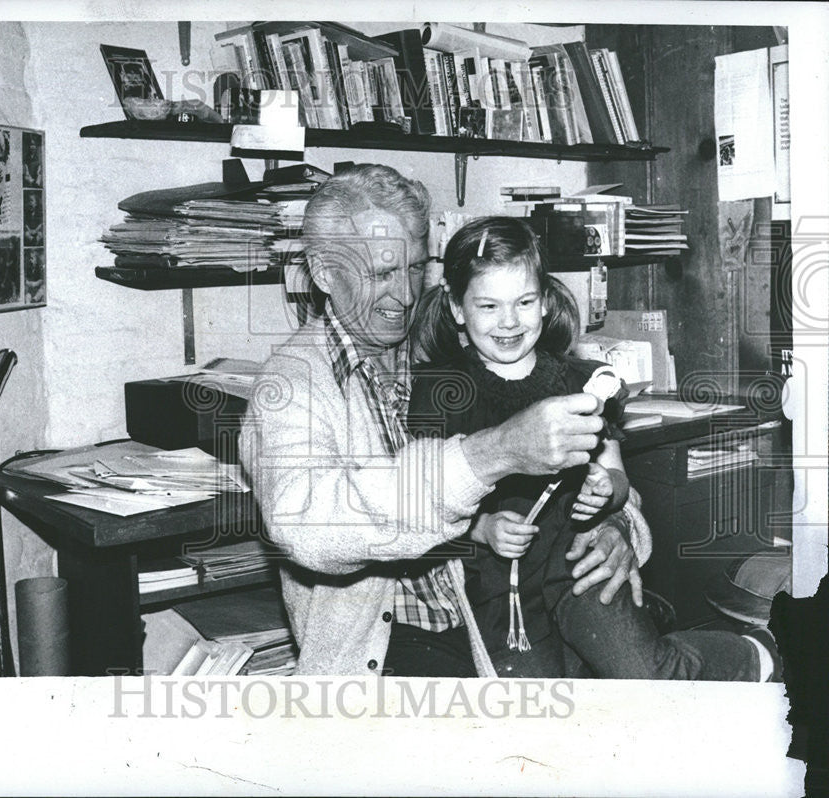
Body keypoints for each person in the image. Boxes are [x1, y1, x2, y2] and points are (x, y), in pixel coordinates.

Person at [239, 165, 640, 676]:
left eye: (413, 269)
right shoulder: (292, 385)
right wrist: (489, 455)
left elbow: (599, 468)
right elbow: (307, 527)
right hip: (389, 646)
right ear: (322, 272)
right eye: (381, 274)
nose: (405, 297)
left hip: (505, 611)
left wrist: (617, 523)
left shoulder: (455, 342)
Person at [407, 216, 780, 680]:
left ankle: (752, 656)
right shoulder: (438, 391)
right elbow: (421, 504)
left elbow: (619, 478)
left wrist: (608, 491)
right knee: (533, 710)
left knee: (646, 674)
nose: (509, 322)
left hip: (580, 568)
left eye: (524, 302)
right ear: (457, 308)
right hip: (500, 593)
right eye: (488, 305)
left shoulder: (582, 384)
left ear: (544, 301)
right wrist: (480, 528)